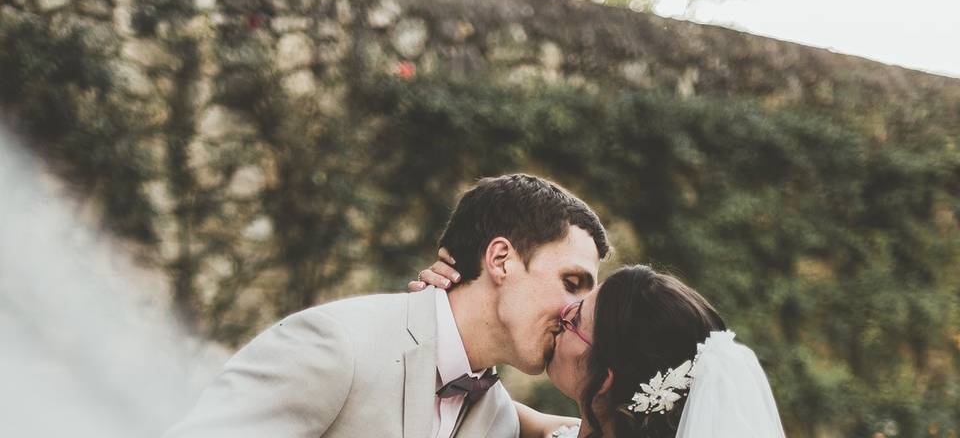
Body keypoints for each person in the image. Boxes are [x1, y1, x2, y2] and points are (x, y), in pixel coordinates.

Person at [163, 173, 610, 438]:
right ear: (500, 259)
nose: (576, 309)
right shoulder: (341, 346)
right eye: (572, 283)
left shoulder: (497, 419)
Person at [416, 261, 786, 438]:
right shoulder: (568, 431)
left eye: (575, 318)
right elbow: (481, 403)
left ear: (606, 378)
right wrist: (457, 314)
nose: (561, 314)